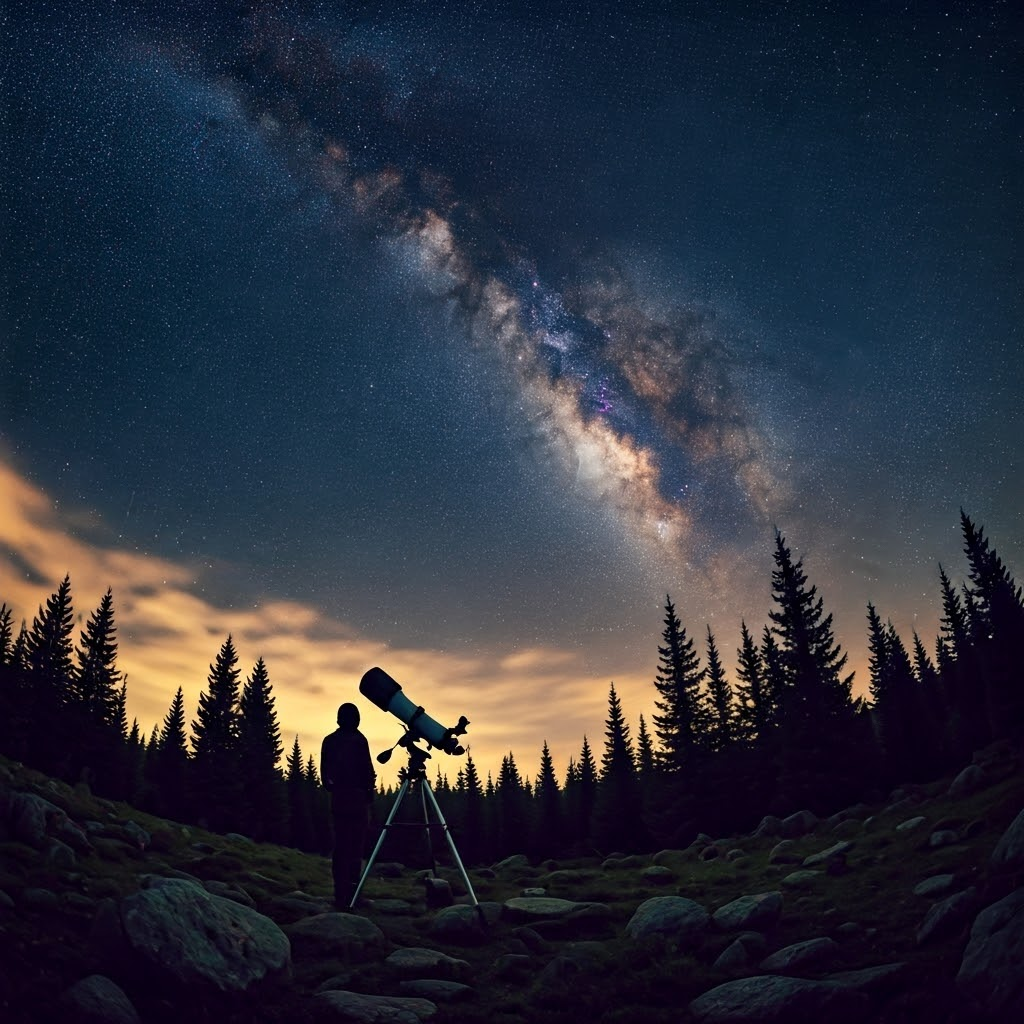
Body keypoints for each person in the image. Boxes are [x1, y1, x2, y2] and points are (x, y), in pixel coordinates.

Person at [321, 702, 376, 909]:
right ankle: (353, 897)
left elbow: (325, 777)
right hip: (357, 802)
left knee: (342, 848)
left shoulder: (329, 741)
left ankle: (341, 895)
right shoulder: (359, 741)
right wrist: (369, 796)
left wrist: (336, 787)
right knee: (354, 850)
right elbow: (368, 771)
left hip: (340, 801)